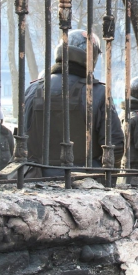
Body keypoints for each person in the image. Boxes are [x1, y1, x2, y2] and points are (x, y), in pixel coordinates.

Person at [23, 29, 124, 176]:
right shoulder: (97, 93)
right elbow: (115, 145)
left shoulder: (33, 89)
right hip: (84, 181)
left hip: (36, 179)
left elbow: (22, 137)